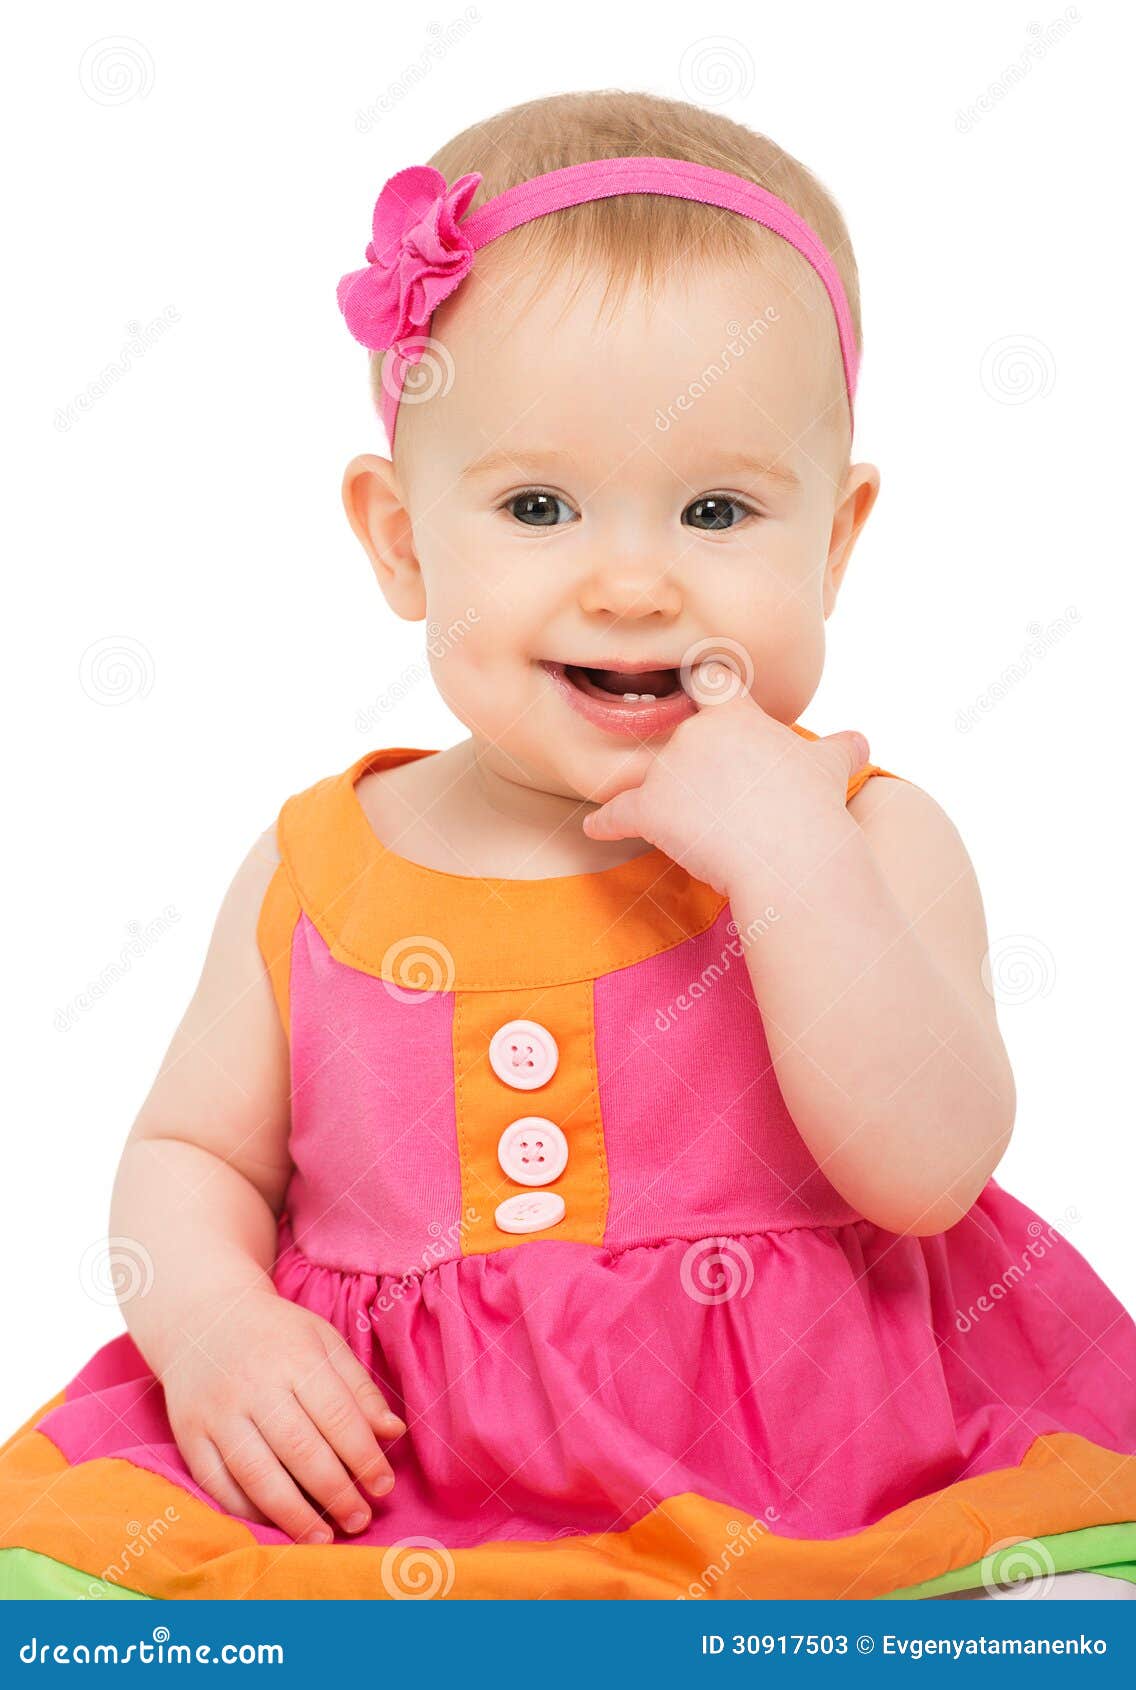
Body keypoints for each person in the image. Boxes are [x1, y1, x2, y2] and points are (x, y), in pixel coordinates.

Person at [3, 89, 1135, 1602]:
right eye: (539, 505)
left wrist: (788, 862)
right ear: (403, 539)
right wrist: (214, 1326)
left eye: (717, 509)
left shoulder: (865, 833)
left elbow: (929, 1168)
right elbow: (190, 1150)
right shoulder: (324, 868)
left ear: (838, 542)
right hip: (385, 1484)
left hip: (831, 1488)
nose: (631, 583)